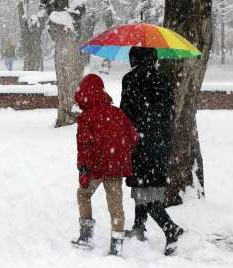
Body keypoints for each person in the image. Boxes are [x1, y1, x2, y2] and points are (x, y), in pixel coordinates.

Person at [121, 47, 184, 256]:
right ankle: (139, 226)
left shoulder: (130, 80)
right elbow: (171, 111)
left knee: (142, 189)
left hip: (139, 141)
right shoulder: (164, 80)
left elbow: (125, 113)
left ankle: (170, 228)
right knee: (149, 185)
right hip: (160, 142)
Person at [71, 74, 138, 256]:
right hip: (115, 166)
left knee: (83, 194)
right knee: (116, 205)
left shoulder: (86, 118)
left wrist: (83, 169)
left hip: (96, 166)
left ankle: (86, 236)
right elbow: (133, 137)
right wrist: (118, 149)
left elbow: (84, 145)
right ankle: (116, 244)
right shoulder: (117, 113)